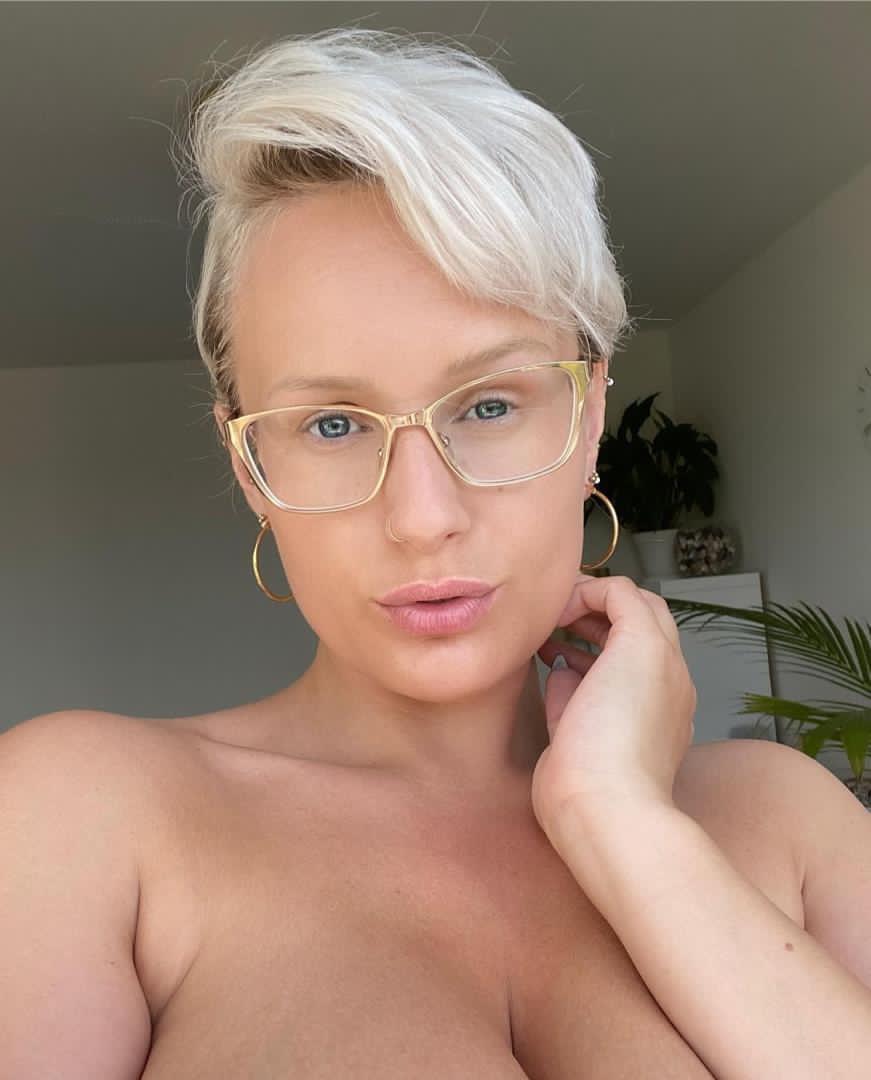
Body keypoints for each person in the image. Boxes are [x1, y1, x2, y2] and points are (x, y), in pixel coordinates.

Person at [4, 27, 871, 1080]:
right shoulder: (80, 814)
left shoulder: (784, 816)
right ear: (250, 465)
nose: (422, 516)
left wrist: (623, 824)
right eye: (333, 424)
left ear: (589, 416)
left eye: (489, 404)